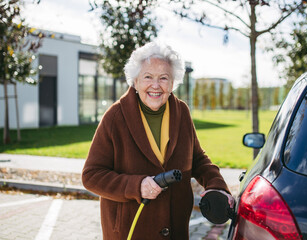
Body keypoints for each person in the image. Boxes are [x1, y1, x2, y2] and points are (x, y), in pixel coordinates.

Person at [82, 41, 233, 240]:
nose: (156, 85)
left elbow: (197, 159)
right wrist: (137, 186)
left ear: (172, 83)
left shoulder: (182, 112)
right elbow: (91, 176)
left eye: (163, 78)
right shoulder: (115, 117)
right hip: (130, 231)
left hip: (175, 229)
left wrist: (217, 186)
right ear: (135, 81)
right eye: (148, 77)